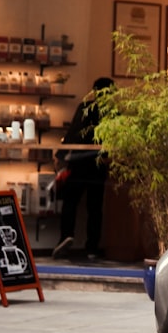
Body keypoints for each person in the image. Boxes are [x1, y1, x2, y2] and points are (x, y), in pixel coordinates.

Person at [52, 77, 114, 260]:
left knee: (70, 202)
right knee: (95, 208)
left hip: (78, 162)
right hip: (99, 165)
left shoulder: (85, 108)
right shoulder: (113, 112)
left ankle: (66, 237)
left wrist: (60, 156)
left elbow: (72, 133)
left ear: (94, 91)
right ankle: (92, 248)